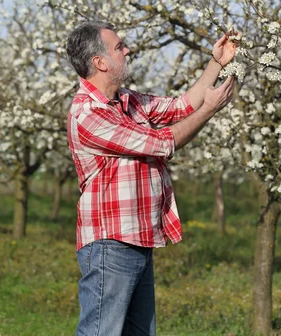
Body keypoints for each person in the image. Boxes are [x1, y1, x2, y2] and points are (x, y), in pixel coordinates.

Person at [65, 21, 237, 336]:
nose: (126, 50)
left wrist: (216, 63)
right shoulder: (87, 114)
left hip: (138, 237)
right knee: (101, 332)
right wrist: (209, 111)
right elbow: (162, 143)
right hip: (111, 242)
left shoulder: (127, 101)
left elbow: (182, 106)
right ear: (100, 62)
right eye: (119, 47)